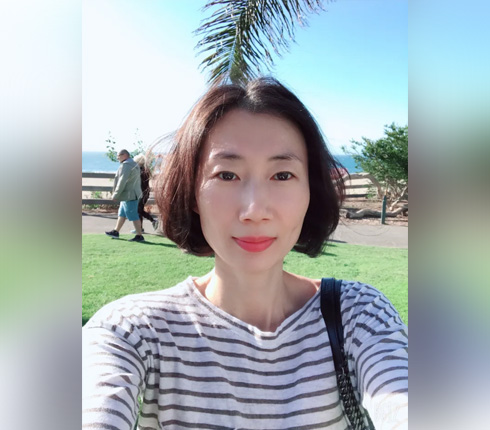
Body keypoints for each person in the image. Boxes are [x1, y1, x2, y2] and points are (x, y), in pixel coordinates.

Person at [84, 78, 408, 429]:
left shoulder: (359, 316)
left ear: (309, 192)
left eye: (282, 175)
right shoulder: (134, 332)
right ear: (194, 193)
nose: (255, 210)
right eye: (227, 175)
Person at [105, 149, 145, 242]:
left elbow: (122, 181)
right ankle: (116, 231)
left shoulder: (126, 165)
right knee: (122, 214)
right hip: (129, 194)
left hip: (129, 195)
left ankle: (139, 236)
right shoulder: (133, 163)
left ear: (125, 155)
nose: (117, 157)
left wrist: (116, 194)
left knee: (133, 215)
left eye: (119, 155)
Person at [132, 154, 159, 234]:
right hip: (144, 193)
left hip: (141, 193)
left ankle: (152, 221)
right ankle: (140, 228)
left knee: (138, 210)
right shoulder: (145, 170)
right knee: (139, 210)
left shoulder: (140, 171)